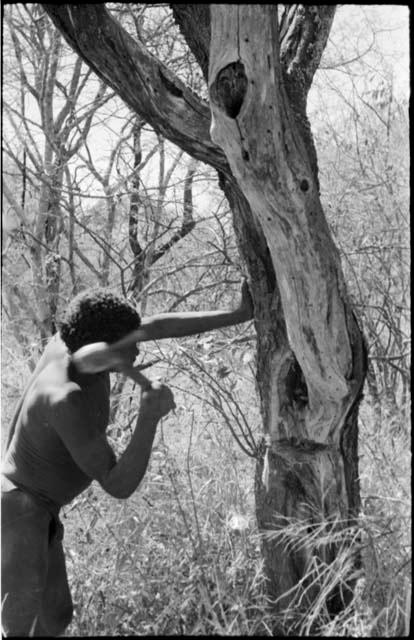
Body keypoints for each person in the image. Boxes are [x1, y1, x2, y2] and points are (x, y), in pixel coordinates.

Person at [1, 282, 253, 636]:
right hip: (21, 507)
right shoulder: (64, 399)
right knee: (20, 625)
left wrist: (240, 314)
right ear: (104, 345)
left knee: (56, 616)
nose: (138, 346)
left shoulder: (78, 340)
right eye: (130, 342)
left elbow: (159, 326)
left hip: (41, 506)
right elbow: (118, 484)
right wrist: (148, 419)